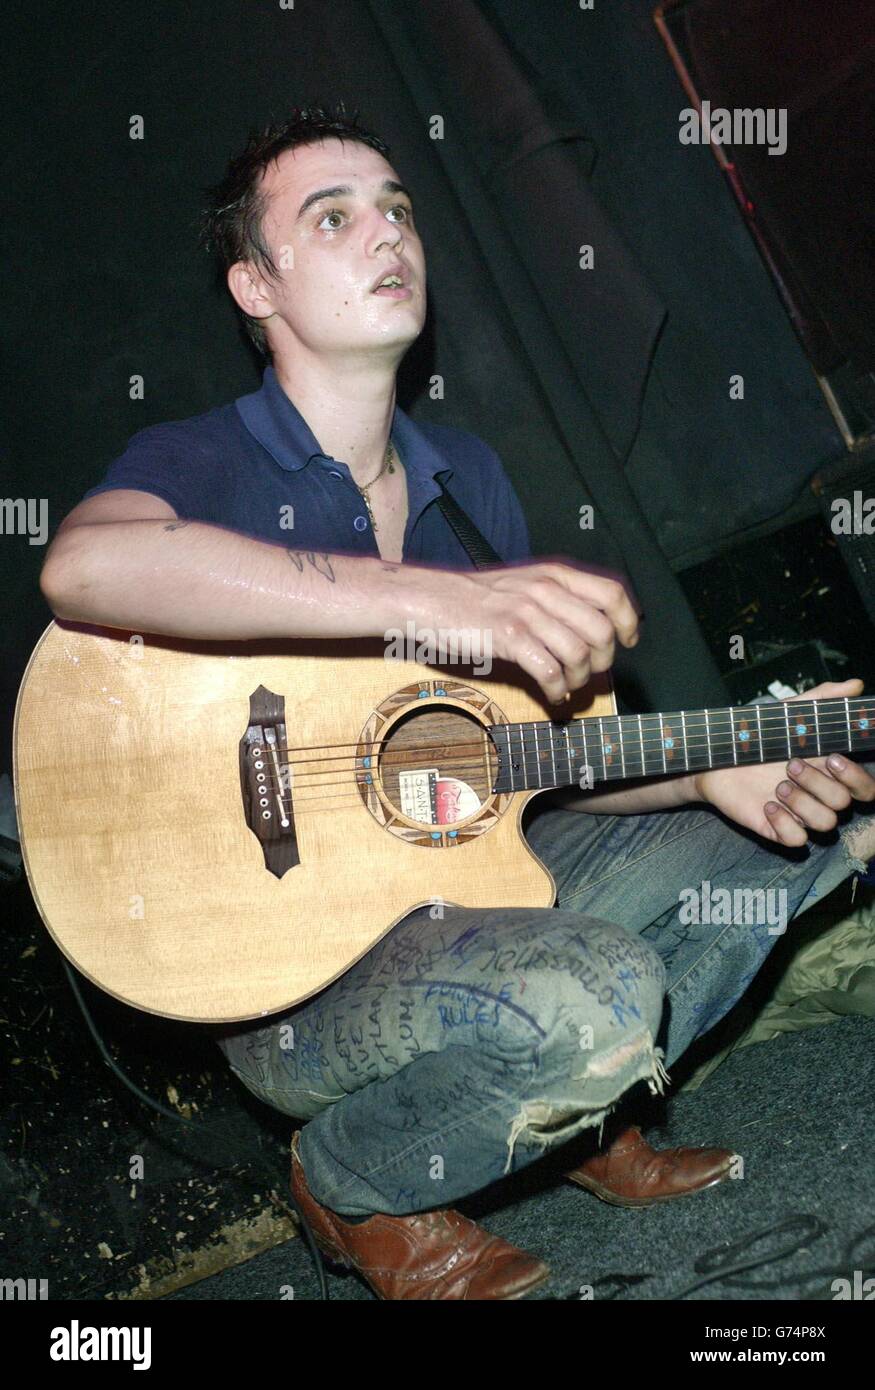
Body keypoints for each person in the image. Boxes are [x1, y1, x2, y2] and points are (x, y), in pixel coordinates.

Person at [39, 105, 875, 1301]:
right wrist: (430, 605)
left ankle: (579, 1119)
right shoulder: (214, 459)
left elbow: (519, 760)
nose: (385, 232)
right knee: (601, 997)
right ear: (254, 287)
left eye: (396, 207)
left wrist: (703, 773)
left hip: (461, 898)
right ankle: (348, 1175)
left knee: (798, 834)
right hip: (290, 975)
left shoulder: (463, 480)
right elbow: (82, 570)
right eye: (332, 217)